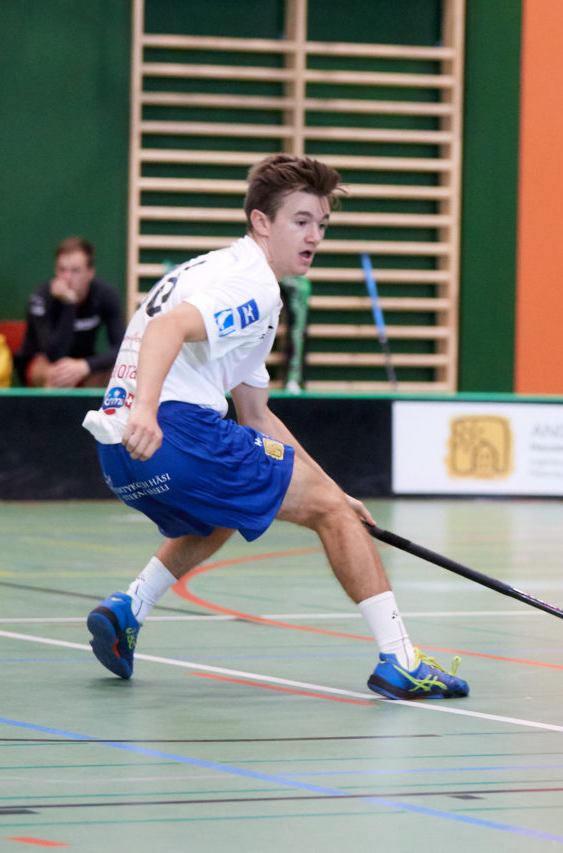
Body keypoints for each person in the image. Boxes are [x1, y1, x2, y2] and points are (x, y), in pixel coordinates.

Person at [80, 154, 467, 701]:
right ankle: (401, 660)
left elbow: (257, 417)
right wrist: (146, 410)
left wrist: (333, 488)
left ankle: (128, 610)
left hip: (120, 452)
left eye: (322, 224)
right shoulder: (251, 286)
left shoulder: (218, 272)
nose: (315, 236)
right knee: (329, 515)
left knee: (234, 504)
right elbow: (166, 329)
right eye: (301, 221)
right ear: (261, 221)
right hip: (166, 431)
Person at [15, 236, 125, 388]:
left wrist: (85, 365)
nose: (67, 277)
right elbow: (54, 354)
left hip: (83, 363)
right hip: (42, 362)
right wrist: (70, 304)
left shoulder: (105, 295)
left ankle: (94, 412)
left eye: (75, 271)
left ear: (90, 272)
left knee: (114, 376)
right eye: (62, 270)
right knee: (57, 376)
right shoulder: (41, 298)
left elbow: (121, 347)